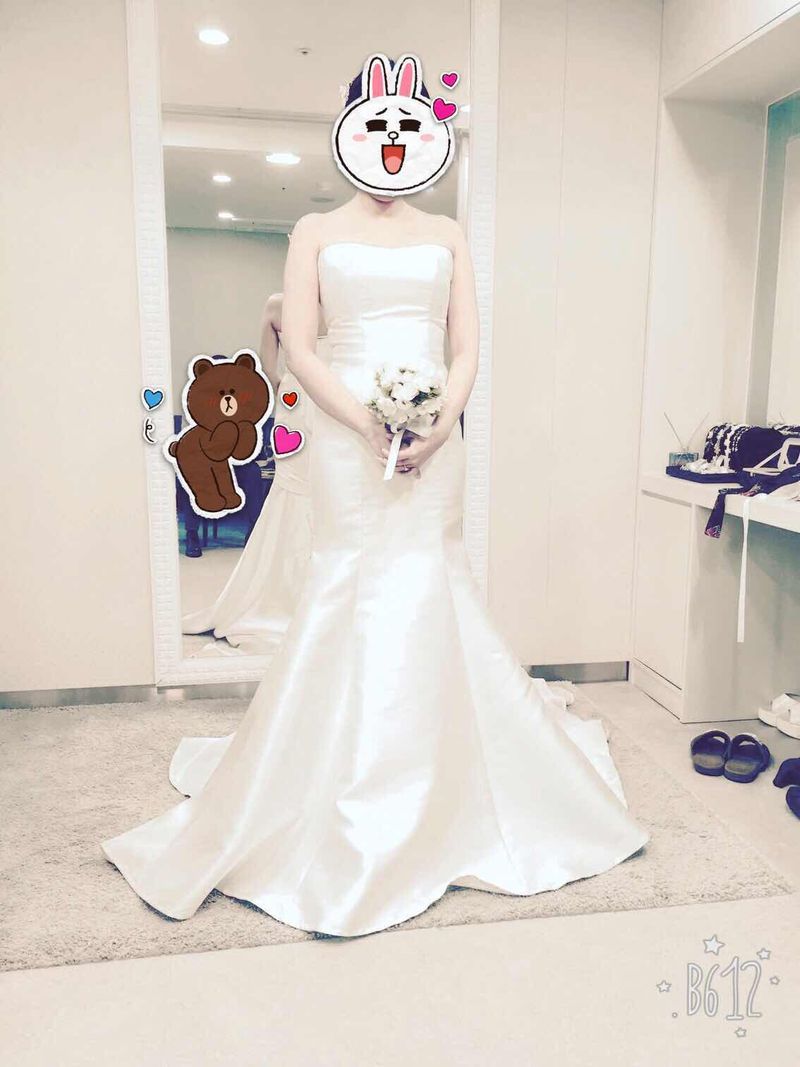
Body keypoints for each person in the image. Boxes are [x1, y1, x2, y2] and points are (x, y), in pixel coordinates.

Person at [101, 61, 648, 938]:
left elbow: (466, 346)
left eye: (409, 126)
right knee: (347, 581)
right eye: (377, 125)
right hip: (344, 432)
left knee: (432, 577)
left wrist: (441, 421)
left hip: (434, 433)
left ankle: (447, 780)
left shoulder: (449, 234)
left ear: (426, 135)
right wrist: (365, 424)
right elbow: (300, 345)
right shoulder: (314, 229)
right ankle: (335, 784)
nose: (393, 142)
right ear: (352, 129)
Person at [181, 289, 326, 655]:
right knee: (315, 486)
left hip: (296, 399)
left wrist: (288, 388)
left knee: (297, 487)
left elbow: (268, 369)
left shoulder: (279, 304)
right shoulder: (339, 304)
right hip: (330, 398)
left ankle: (288, 587)